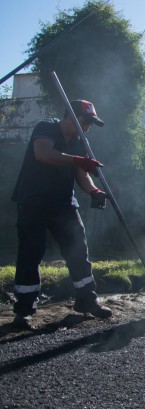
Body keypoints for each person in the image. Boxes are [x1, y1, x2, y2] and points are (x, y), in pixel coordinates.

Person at [12, 99, 112, 330]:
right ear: (72, 116)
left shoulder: (79, 141)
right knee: (30, 254)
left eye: (90, 123)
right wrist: (79, 159)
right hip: (33, 202)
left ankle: (87, 300)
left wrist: (94, 191)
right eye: (86, 121)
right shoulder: (46, 127)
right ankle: (24, 311)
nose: (87, 127)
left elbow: (81, 173)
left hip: (64, 204)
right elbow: (43, 153)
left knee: (78, 250)